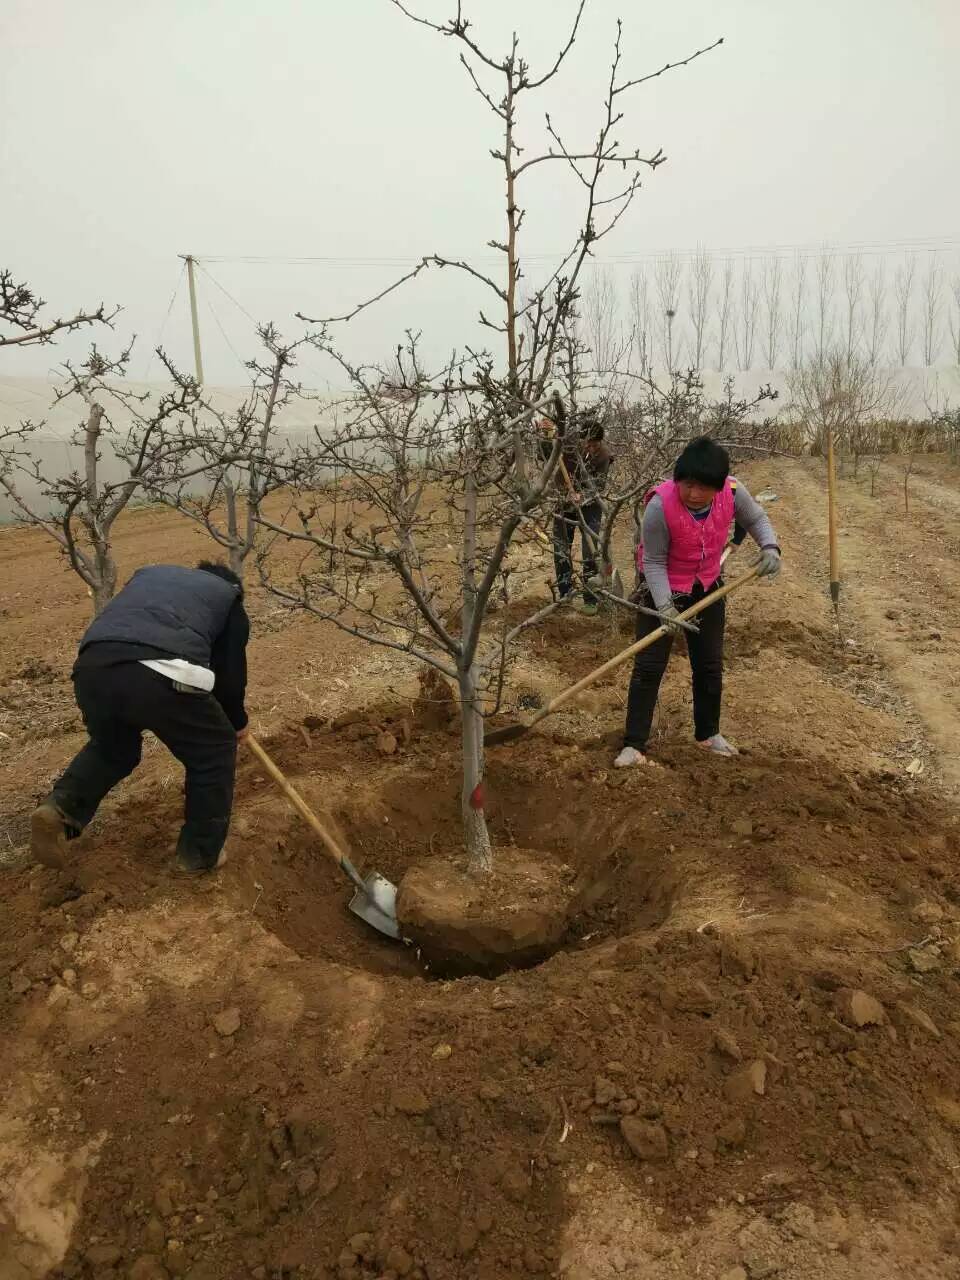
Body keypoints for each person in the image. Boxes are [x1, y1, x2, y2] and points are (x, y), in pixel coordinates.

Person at [30, 560, 250, 873]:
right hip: (158, 670)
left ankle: (61, 808)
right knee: (213, 750)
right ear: (234, 587)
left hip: (92, 668)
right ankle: (200, 855)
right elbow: (229, 679)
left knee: (113, 748)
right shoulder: (229, 599)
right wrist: (237, 723)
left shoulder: (157, 580)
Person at [615, 437, 780, 767]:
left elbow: (757, 520)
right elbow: (654, 561)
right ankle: (634, 745)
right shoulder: (660, 506)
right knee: (648, 668)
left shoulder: (732, 492)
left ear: (717, 487)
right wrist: (664, 607)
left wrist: (770, 547)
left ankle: (708, 734)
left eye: (702, 487)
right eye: (687, 484)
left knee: (708, 666)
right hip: (661, 588)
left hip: (707, 585)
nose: (692, 494)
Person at [551, 410, 614, 617]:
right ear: (580, 438)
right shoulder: (566, 444)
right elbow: (544, 454)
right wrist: (544, 436)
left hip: (590, 507)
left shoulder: (603, 455)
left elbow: (600, 485)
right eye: (588, 443)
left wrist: (583, 495)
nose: (591, 448)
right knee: (561, 549)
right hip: (562, 503)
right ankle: (565, 593)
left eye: (595, 445)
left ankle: (590, 598)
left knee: (590, 552)